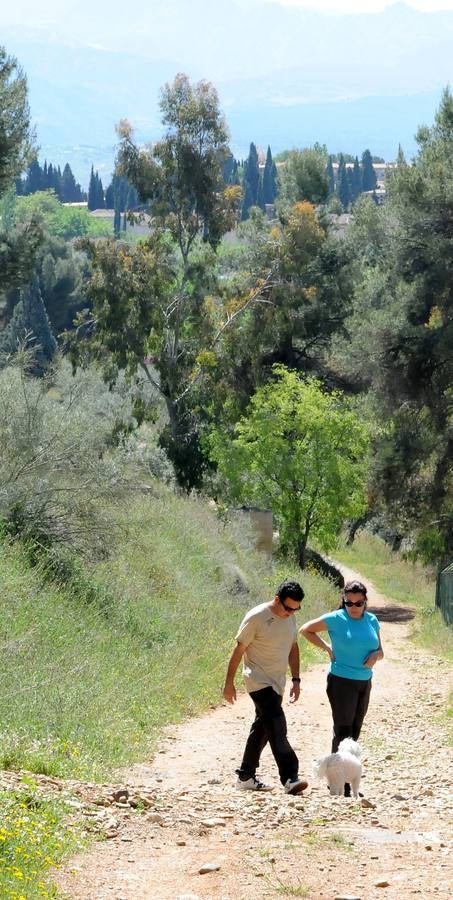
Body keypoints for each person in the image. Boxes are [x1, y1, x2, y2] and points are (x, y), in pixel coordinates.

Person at [223, 580, 308, 795]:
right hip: (257, 680)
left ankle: (245, 776)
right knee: (278, 726)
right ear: (277, 599)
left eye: (296, 609)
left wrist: (296, 679)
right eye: (287, 608)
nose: (290, 613)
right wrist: (229, 682)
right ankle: (290, 777)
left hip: (277, 682)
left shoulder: (290, 617)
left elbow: (293, 648)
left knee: (262, 728)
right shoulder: (257, 617)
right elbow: (239, 649)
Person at [299, 579, 383, 795]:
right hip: (341, 681)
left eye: (359, 603)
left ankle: (349, 778)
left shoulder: (372, 620)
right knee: (343, 730)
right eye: (349, 603)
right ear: (344, 601)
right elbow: (306, 630)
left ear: (365, 602)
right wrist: (327, 647)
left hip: (364, 681)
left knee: (354, 731)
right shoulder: (336, 619)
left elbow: (380, 651)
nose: (354, 607)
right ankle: (338, 782)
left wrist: (375, 655)